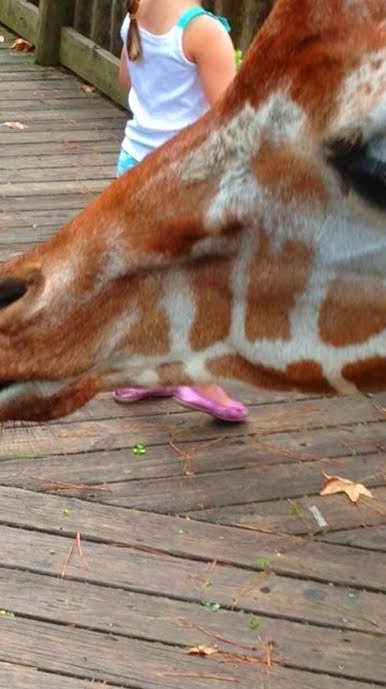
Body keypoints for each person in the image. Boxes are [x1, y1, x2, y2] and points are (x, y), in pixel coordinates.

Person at [111, 0, 247, 423]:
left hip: (134, 165)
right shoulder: (203, 31)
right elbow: (230, 115)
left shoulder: (136, 14)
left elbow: (125, 81)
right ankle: (198, 377)